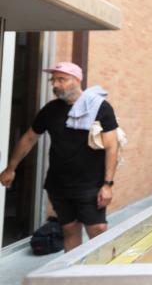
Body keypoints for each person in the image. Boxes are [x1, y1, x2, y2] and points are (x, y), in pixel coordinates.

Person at [0, 62, 119, 252]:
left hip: (90, 184)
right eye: (53, 80)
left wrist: (108, 184)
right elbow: (29, 138)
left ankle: (105, 277)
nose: (55, 84)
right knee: (70, 230)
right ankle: (72, 279)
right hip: (59, 184)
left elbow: (112, 147)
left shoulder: (99, 108)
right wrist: (10, 168)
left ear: (77, 80)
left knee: (98, 230)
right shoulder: (50, 110)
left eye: (61, 79)